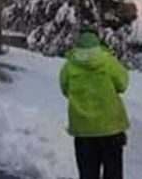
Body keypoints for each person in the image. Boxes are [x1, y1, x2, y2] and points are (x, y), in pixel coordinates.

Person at [59, 30, 129, 179]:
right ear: (98, 44)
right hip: (111, 128)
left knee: (88, 174)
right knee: (113, 173)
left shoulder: (69, 66)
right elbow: (122, 84)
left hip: (83, 130)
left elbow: (65, 89)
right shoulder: (108, 61)